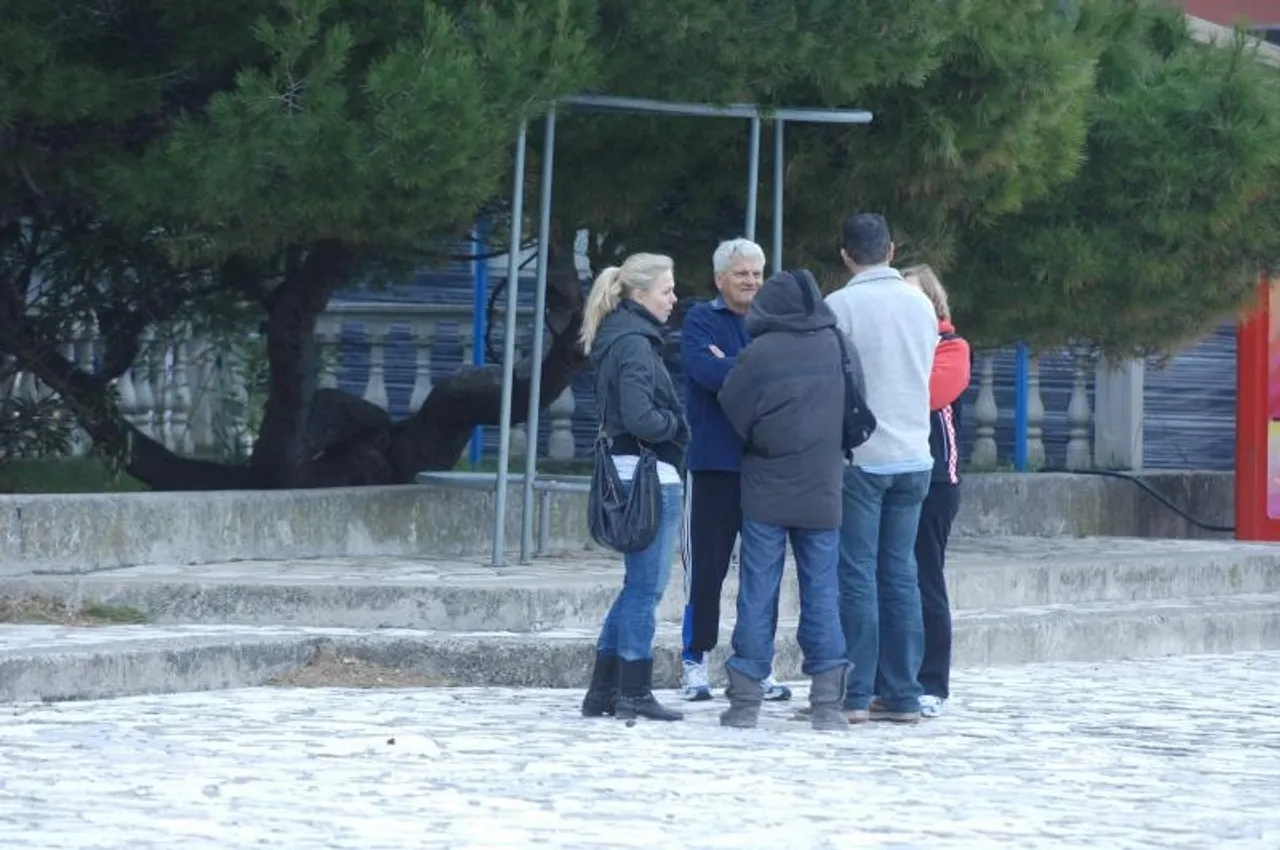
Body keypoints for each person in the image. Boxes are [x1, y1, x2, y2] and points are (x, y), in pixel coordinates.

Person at [716, 269, 853, 731]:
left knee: (757, 592)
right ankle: (829, 704)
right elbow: (858, 404)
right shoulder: (838, 345)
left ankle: (744, 701)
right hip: (823, 487)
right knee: (822, 594)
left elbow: (733, 408)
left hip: (766, 487)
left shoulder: (759, 353)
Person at [825, 213, 938, 725]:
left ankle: (855, 694)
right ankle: (904, 694)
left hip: (862, 458)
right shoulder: (921, 304)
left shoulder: (839, 306)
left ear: (846, 255)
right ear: (891, 250)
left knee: (857, 575)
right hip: (915, 454)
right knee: (901, 575)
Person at [678, 238, 791, 703]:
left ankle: (756, 666)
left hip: (764, 467)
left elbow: (784, 378)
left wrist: (735, 367)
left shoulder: (774, 323)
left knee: (764, 573)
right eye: (742, 274)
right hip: (713, 466)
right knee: (705, 570)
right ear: (720, 278)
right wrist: (755, 372)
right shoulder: (700, 319)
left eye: (757, 274)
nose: (752, 282)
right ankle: (694, 661)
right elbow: (706, 373)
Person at [578, 253, 689, 723]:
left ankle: (604, 690)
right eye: (667, 290)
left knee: (635, 586)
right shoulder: (637, 346)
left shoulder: (618, 338)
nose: (674, 298)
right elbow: (641, 415)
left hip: (627, 473)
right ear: (639, 294)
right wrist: (678, 424)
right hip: (650, 478)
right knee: (647, 588)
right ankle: (634, 691)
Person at [902, 263, 970, 717]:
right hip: (890, 470)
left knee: (926, 577)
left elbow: (926, 393)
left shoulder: (951, 347)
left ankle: (932, 683)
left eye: (913, 297)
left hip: (935, 481)